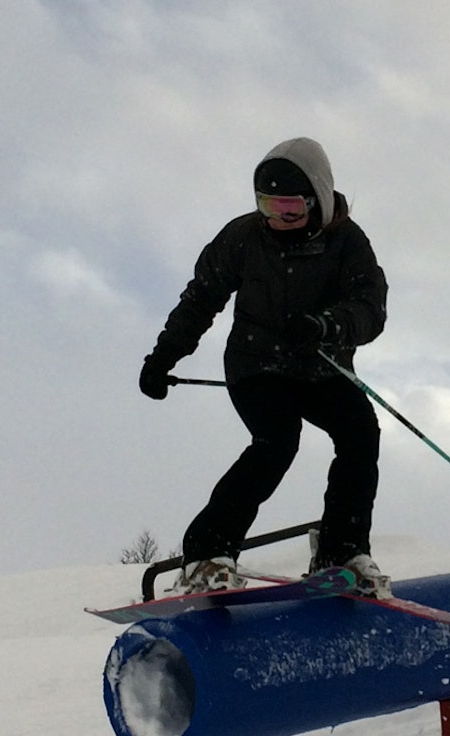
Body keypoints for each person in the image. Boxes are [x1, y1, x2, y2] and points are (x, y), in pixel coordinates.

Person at [138, 137, 391, 596]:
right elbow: (201, 299)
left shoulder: (347, 242)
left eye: (291, 208)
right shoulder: (243, 237)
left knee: (360, 432)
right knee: (277, 440)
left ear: (318, 198)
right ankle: (207, 553)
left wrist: (326, 325)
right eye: (268, 206)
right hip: (256, 365)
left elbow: (370, 308)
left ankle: (341, 549)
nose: (279, 218)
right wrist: (163, 357)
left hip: (320, 364)